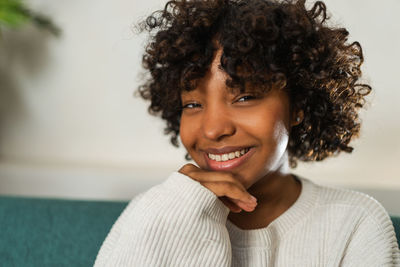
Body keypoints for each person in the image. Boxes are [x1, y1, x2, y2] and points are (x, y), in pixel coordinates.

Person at [94, 0, 400, 266]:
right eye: (192, 103)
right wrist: (175, 212)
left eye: (245, 98)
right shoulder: (154, 213)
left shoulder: (355, 224)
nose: (213, 129)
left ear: (298, 106)